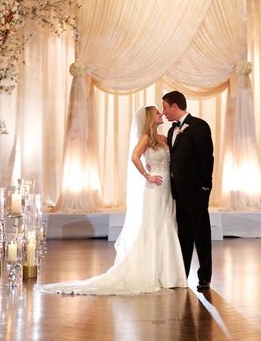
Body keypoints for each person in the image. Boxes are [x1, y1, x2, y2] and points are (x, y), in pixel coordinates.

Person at [41, 106, 187, 295]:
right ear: (151, 118)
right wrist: (147, 175)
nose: (162, 115)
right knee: (154, 226)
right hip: (155, 187)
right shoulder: (146, 138)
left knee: (167, 223)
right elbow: (134, 157)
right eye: (158, 113)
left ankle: (168, 274)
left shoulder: (164, 138)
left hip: (167, 187)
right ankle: (154, 272)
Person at [162, 91, 214, 292]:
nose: (164, 112)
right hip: (178, 193)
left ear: (175, 106)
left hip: (196, 192)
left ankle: (204, 277)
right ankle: (181, 274)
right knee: (183, 235)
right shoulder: (171, 131)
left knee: (201, 236)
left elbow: (207, 159)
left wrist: (205, 187)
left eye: (165, 108)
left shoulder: (199, 126)